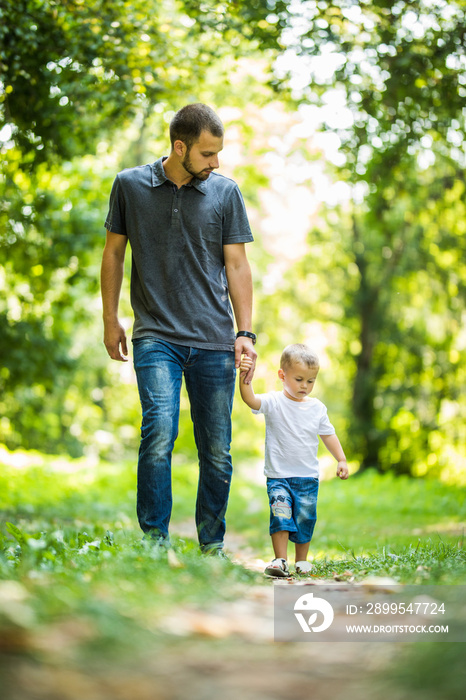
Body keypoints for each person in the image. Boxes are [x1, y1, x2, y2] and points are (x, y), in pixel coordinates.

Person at [101, 103, 257, 555]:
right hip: (155, 336)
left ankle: (212, 543)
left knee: (217, 450)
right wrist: (111, 318)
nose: (216, 163)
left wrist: (245, 334)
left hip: (213, 340)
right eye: (208, 154)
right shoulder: (129, 185)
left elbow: (237, 264)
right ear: (179, 146)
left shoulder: (226, 193)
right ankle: (155, 541)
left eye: (219, 153)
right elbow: (113, 253)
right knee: (159, 434)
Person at [239, 343, 348, 577]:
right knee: (281, 515)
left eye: (311, 381)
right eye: (299, 379)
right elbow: (251, 400)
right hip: (278, 476)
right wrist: (245, 378)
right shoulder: (274, 401)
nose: (305, 386)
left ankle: (302, 561)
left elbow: (328, 435)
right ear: (282, 375)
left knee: (305, 518)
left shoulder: (317, 408)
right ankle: (280, 560)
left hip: (307, 476)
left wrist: (341, 459)